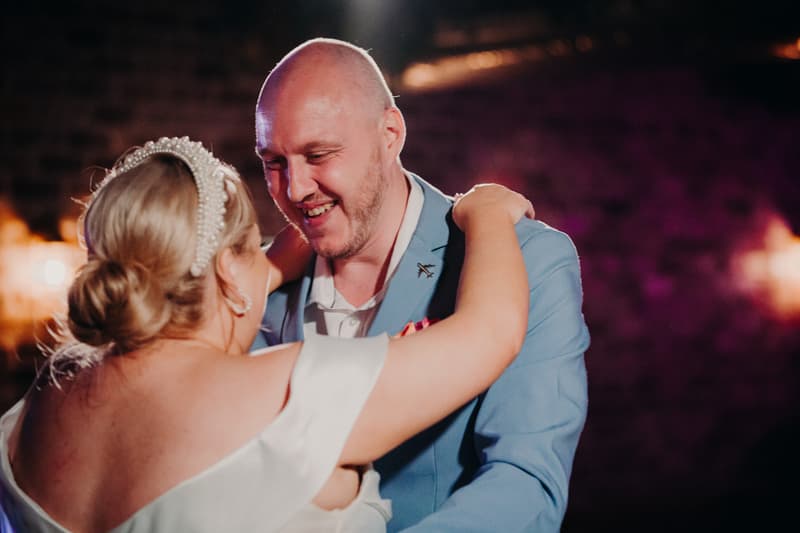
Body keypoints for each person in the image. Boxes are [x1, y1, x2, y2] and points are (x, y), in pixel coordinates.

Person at [0, 136, 534, 532]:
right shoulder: (298, 390)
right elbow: (493, 331)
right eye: (253, 245)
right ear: (229, 269)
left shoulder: (48, 395)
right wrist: (486, 211)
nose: (266, 257)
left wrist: (268, 264)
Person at [253, 38, 590, 532]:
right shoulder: (255, 286)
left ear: (390, 134)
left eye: (319, 154)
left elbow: (525, 484)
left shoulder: (528, 259)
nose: (296, 189)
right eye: (274, 162)